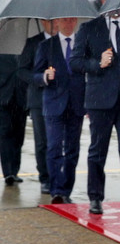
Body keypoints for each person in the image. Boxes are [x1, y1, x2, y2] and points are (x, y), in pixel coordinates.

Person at [70, 7, 120, 220]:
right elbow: (75, 62)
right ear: (105, 2)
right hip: (100, 101)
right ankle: (95, 197)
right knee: (98, 150)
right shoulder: (89, 28)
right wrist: (97, 63)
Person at [33, 17, 84, 204]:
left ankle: (66, 190)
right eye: (65, 21)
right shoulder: (47, 46)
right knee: (54, 146)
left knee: (72, 149)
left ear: (76, 21)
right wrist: (45, 76)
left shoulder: (83, 44)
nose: (69, 24)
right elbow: (35, 74)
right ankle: (56, 190)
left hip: (77, 103)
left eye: (72, 21)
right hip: (54, 102)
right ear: (58, 23)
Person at [18, 19, 57, 194]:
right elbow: (22, 71)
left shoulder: (66, 42)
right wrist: (41, 77)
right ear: (43, 22)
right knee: (43, 142)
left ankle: (58, 176)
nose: (57, 24)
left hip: (61, 99)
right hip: (39, 100)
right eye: (53, 21)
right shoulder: (33, 43)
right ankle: (45, 178)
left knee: (58, 141)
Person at [0, 49, 28, 186]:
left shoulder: (27, 49)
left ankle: (15, 171)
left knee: (19, 136)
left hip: (21, 99)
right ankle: (8, 172)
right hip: (4, 98)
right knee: (5, 135)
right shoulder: (3, 47)